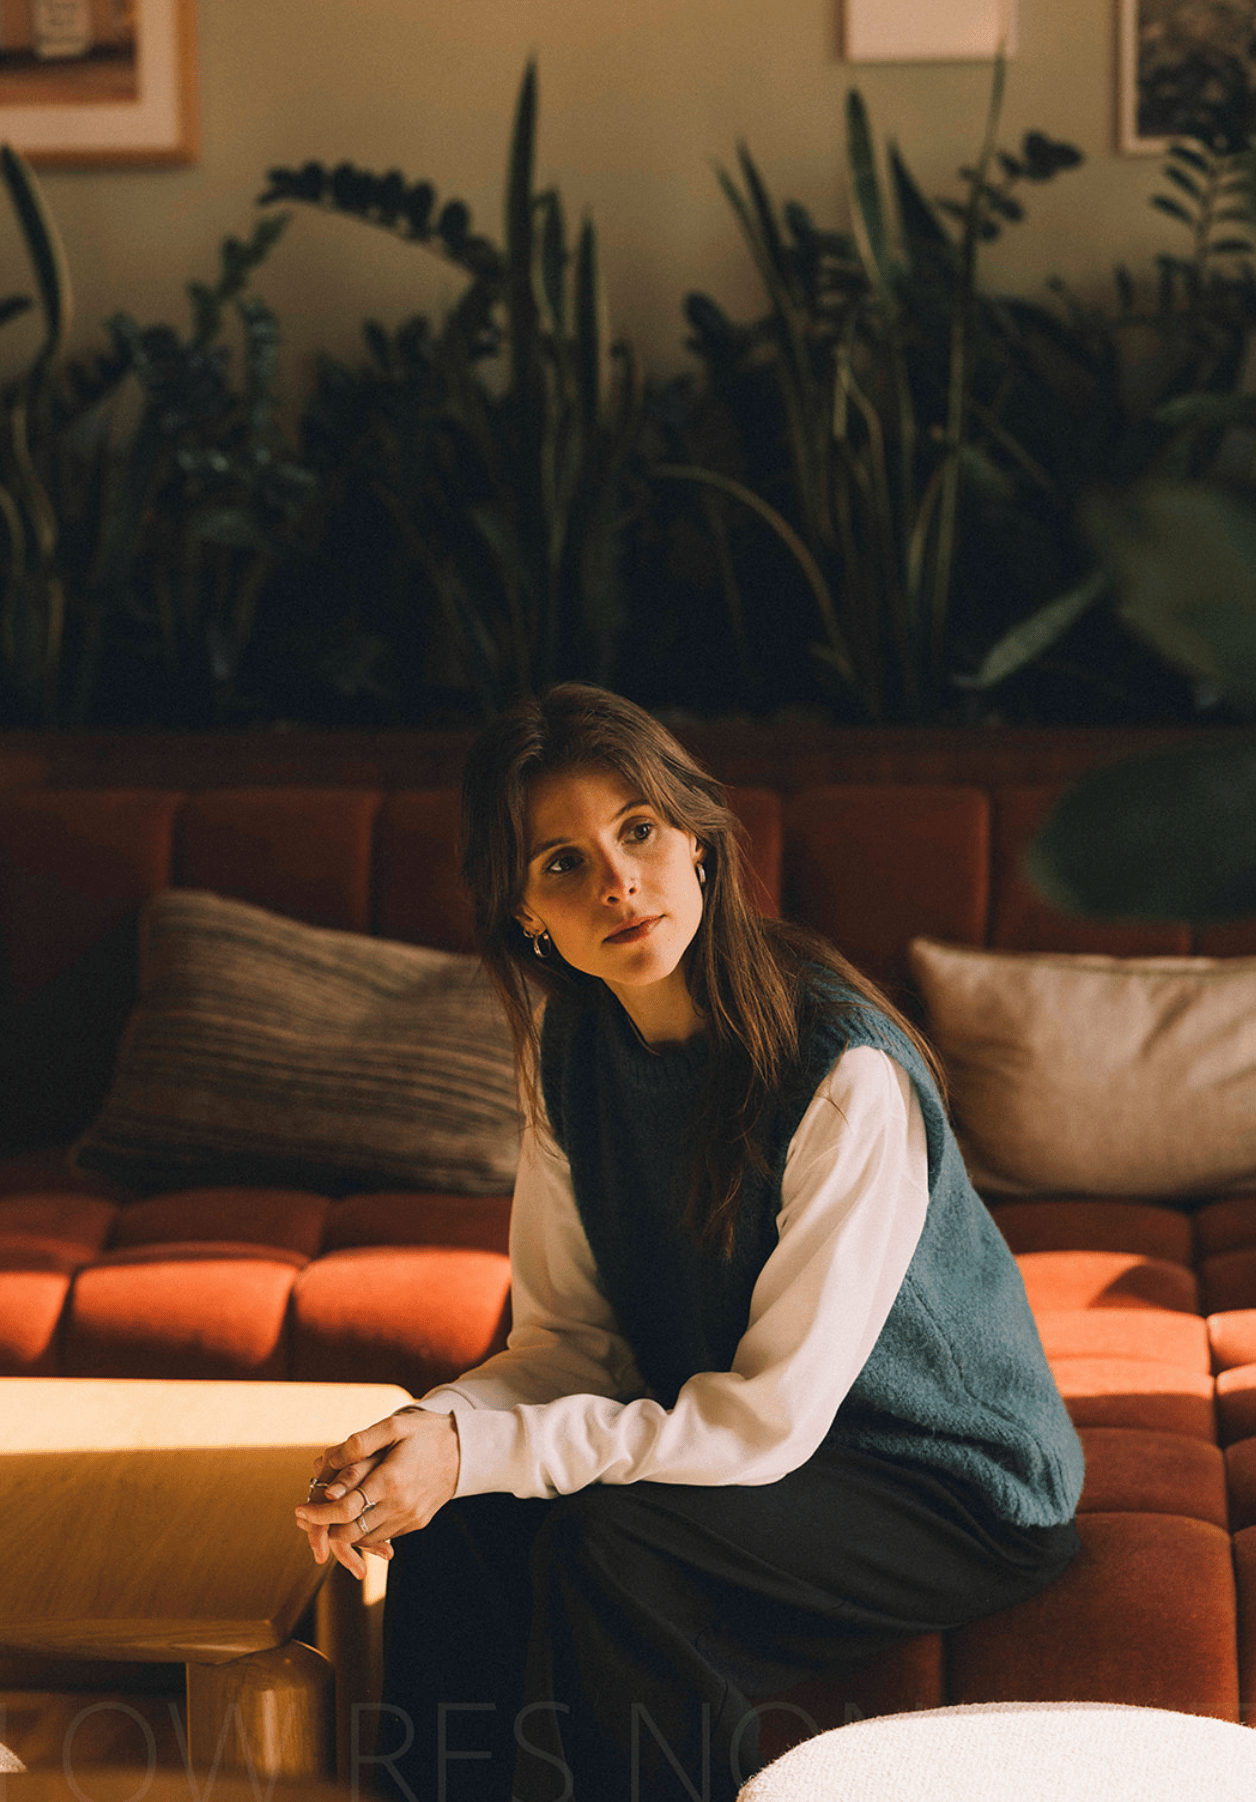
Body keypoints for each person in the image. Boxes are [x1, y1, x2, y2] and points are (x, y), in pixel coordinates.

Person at [295, 683, 1084, 1802]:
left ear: (699, 846)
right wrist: (433, 1434)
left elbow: (766, 1418)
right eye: (560, 862)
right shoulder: (569, 1052)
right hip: (761, 1450)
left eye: (639, 831)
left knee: (614, 1543)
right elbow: (573, 1340)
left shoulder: (841, 1071)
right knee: (462, 1523)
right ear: (525, 913)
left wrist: (478, 1450)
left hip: (945, 1488)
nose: (616, 881)